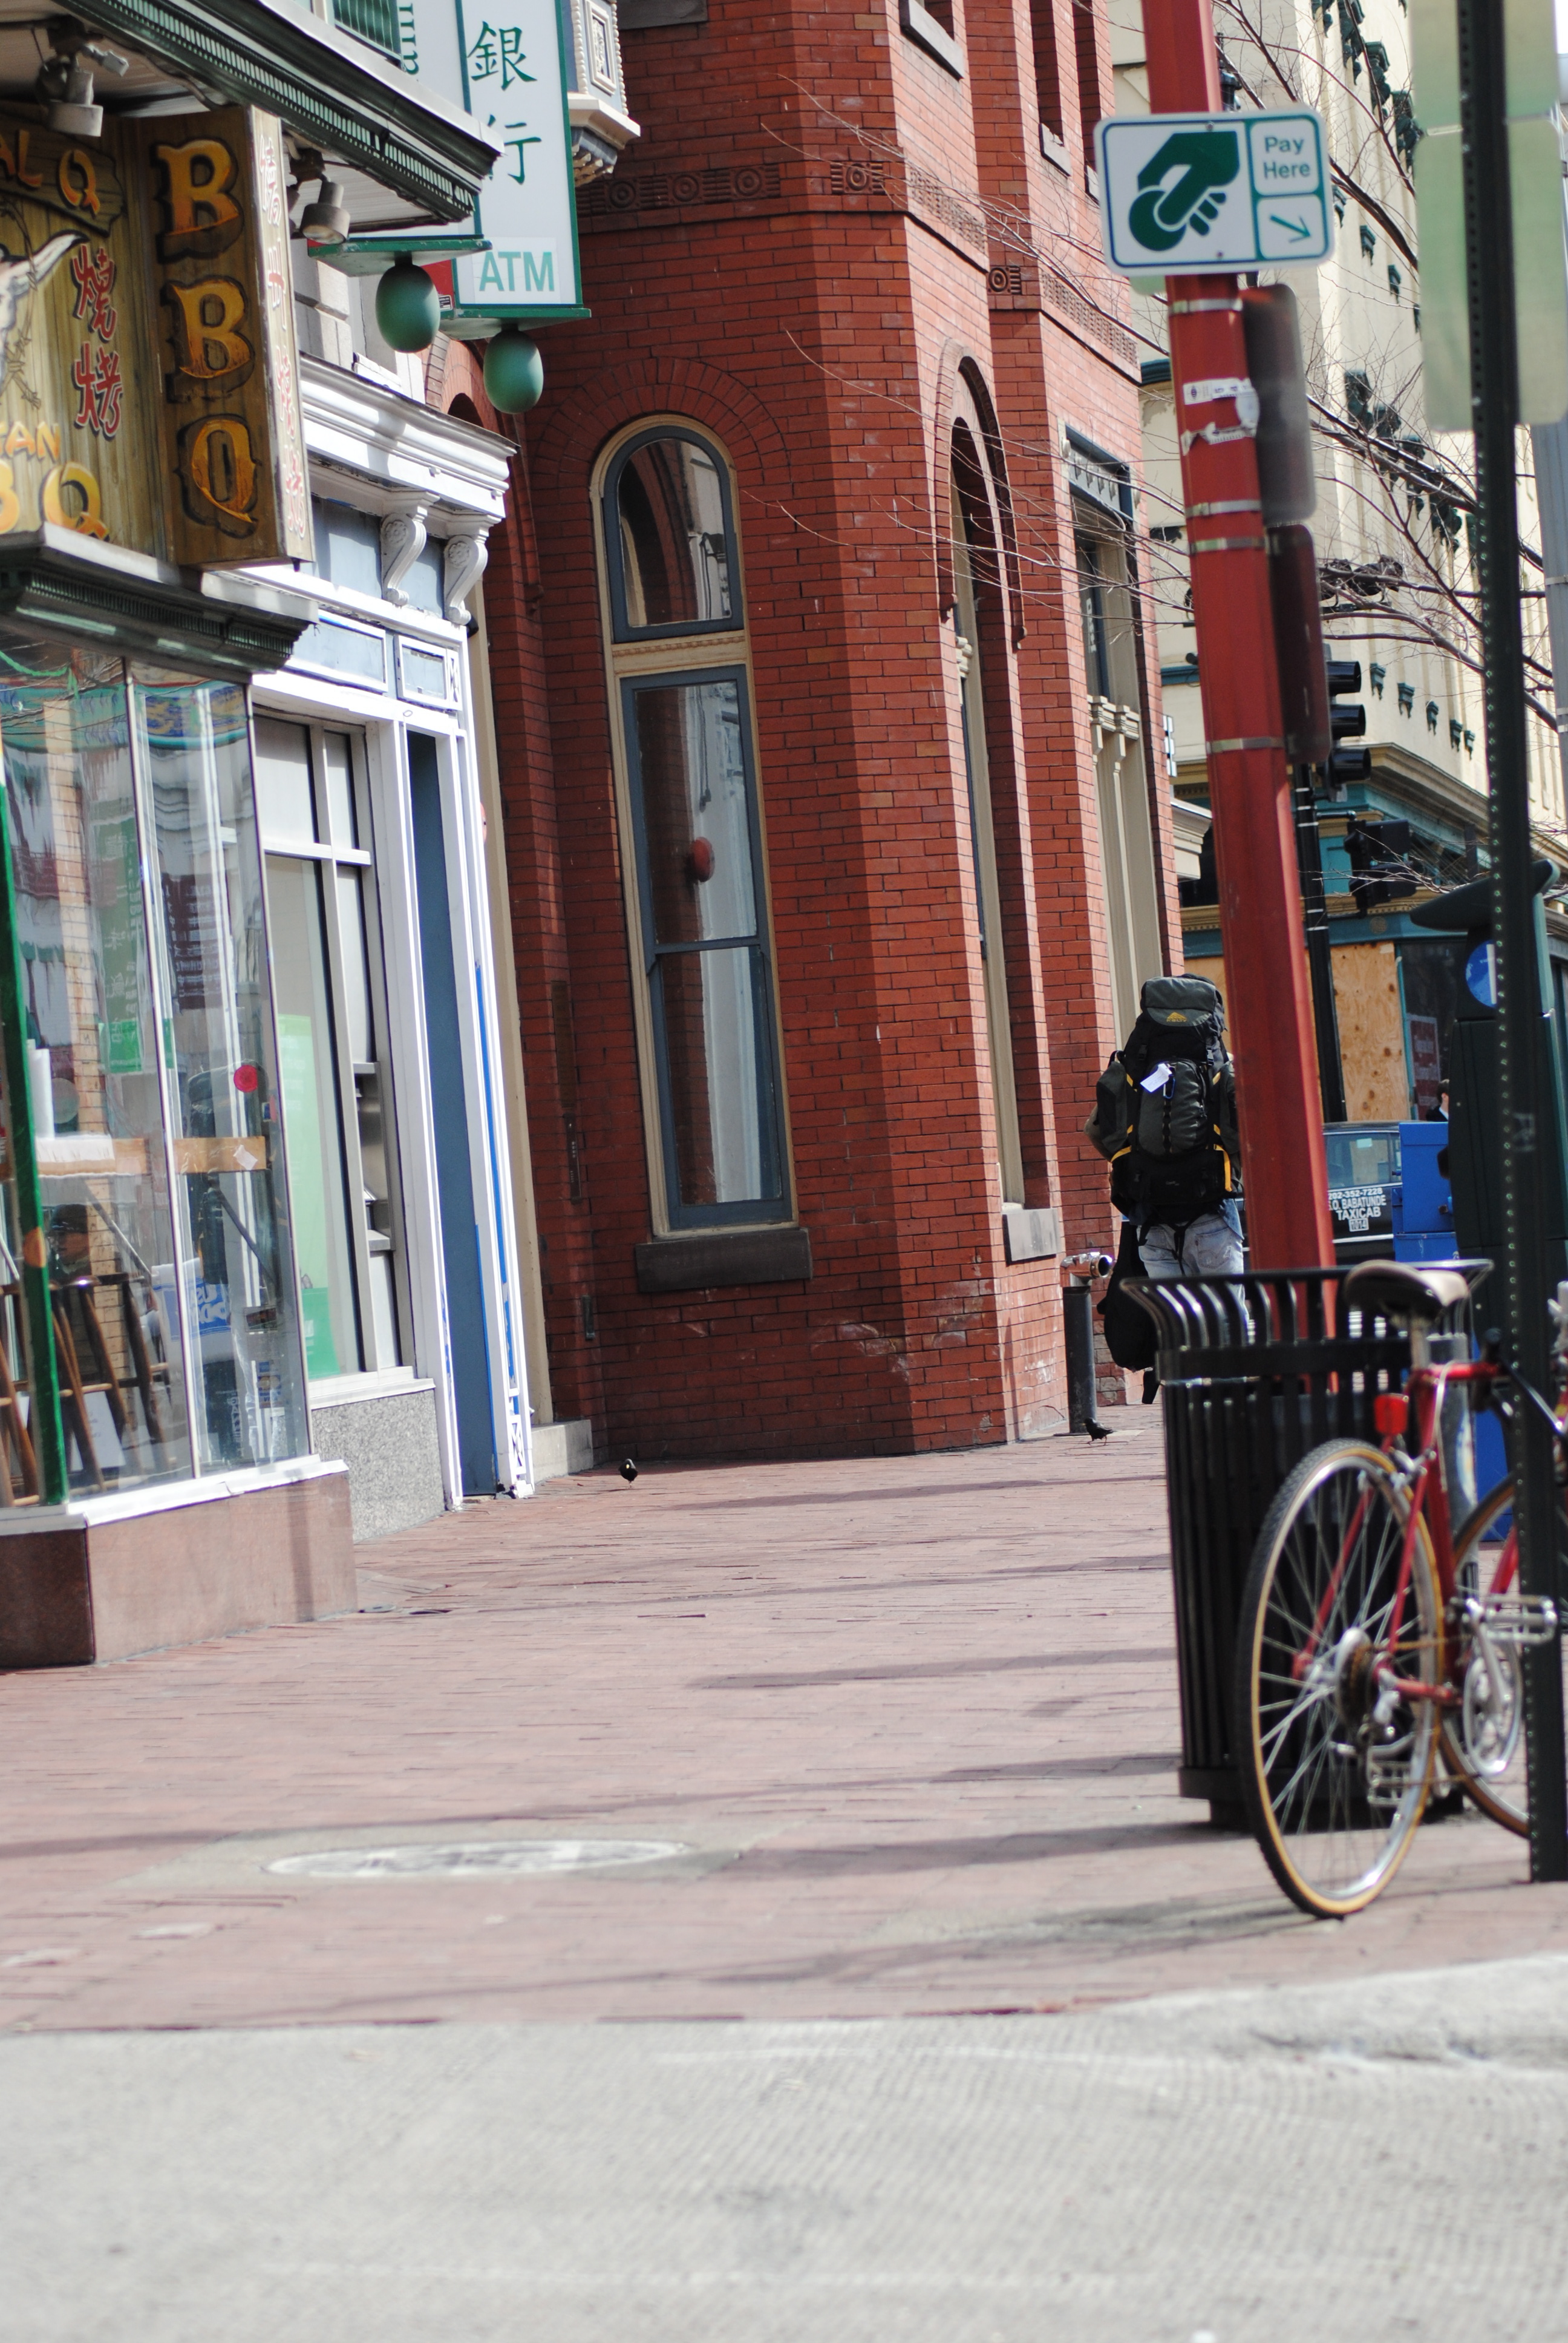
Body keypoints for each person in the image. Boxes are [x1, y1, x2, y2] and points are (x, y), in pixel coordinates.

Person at [1085, 974, 1244, 1282]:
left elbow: (1095, 1130)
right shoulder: (1224, 1066)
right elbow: (1245, 1135)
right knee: (1224, 1310)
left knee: (1170, 1312)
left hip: (1152, 1218)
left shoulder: (1133, 1067)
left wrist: (1138, 1158)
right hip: (1211, 1213)